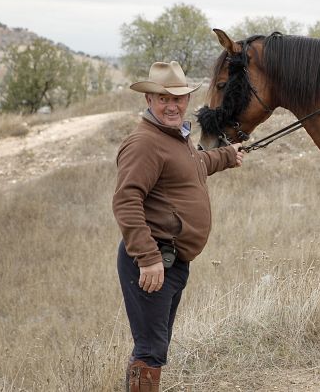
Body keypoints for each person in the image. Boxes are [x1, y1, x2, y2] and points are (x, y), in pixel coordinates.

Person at [112, 61, 244, 392]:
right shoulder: (144, 143)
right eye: (163, 99)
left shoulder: (175, 137)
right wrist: (147, 256)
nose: (172, 106)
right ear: (149, 101)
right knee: (150, 351)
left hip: (171, 262)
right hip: (153, 262)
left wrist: (228, 155)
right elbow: (126, 200)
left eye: (179, 99)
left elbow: (195, 163)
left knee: (156, 347)